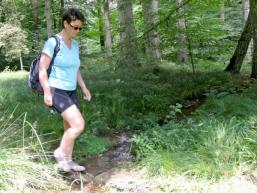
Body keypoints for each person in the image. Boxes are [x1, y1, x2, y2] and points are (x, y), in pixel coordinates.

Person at [39, 8, 91, 172]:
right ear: (65, 24)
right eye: (75, 27)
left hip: (71, 90)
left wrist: (83, 87)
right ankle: (60, 153)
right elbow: (42, 69)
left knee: (70, 128)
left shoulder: (75, 45)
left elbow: (75, 69)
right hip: (56, 90)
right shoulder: (53, 42)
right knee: (78, 124)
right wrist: (47, 92)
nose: (77, 31)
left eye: (79, 28)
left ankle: (68, 162)